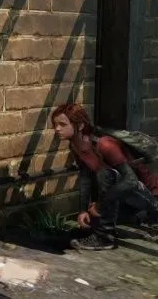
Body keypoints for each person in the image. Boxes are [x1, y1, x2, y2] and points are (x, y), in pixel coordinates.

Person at [51, 103, 158, 250]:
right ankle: (125, 221)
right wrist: (83, 210)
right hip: (121, 198)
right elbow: (85, 177)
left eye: (62, 124)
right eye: (55, 124)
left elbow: (131, 181)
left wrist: (100, 205)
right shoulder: (75, 146)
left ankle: (105, 238)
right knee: (91, 220)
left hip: (148, 196)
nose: (57, 129)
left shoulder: (104, 145)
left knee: (106, 174)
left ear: (80, 125)